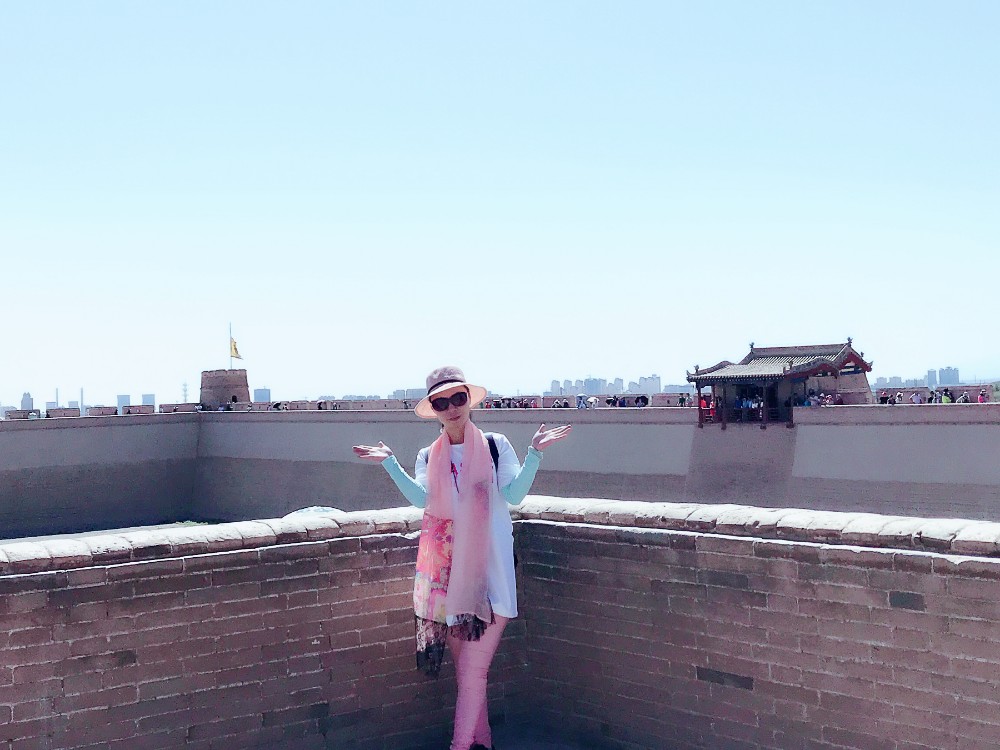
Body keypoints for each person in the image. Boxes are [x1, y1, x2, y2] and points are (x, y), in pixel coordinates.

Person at [353, 366, 571, 750]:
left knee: (473, 673)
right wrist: (390, 463)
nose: (452, 407)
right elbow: (423, 500)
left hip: (493, 576)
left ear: (469, 400)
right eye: (442, 402)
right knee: (468, 675)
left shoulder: (495, 445)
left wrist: (534, 454)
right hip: (448, 580)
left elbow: (514, 495)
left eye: (458, 397)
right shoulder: (428, 456)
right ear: (433, 411)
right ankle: (482, 743)